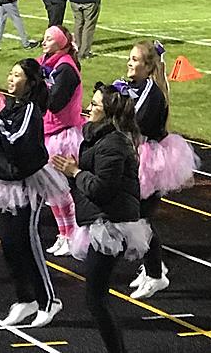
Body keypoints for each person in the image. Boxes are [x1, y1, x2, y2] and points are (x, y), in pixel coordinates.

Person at [52, 83, 151, 353]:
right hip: (104, 219)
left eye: (95, 105)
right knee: (96, 297)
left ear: (108, 112)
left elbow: (102, 188)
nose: (88, 108)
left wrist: (75, 172)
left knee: (96, 298)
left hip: (111, 223)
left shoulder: (113, 142)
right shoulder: (101, 138)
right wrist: (73, 171)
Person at [0, 59, 68, 328]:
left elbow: (14, 141)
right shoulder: (10, 107)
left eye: (17, 75)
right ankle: (25, 298)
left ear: (30, 82)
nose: (11, 78)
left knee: (29, 242)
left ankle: (49, 300)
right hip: (6, 182)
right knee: (9, 245)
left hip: (27, 183)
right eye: (10, 73)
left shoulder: (30, 110)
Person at [122, 40, 200, 300]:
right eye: (129, 59)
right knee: (136, 217)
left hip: (150, 158)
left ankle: (156, 274)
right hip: (137, 153)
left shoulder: (150, 91)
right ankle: (152, 268)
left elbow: (137, 123)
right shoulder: (133, 87)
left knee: (140, 219)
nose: (129, 63)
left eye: (135, 60)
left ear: (147, 66)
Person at [37, 25, 84, 256]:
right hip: (49, 130)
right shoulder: (47, 62)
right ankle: (63, 232)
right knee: (51, 189)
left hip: (62, 134)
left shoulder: (65, 68)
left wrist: (39, 87)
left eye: (49, 39)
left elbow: (55, 102)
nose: (44, 42)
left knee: (61, 189)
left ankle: (71, 234)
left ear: (61, 42)